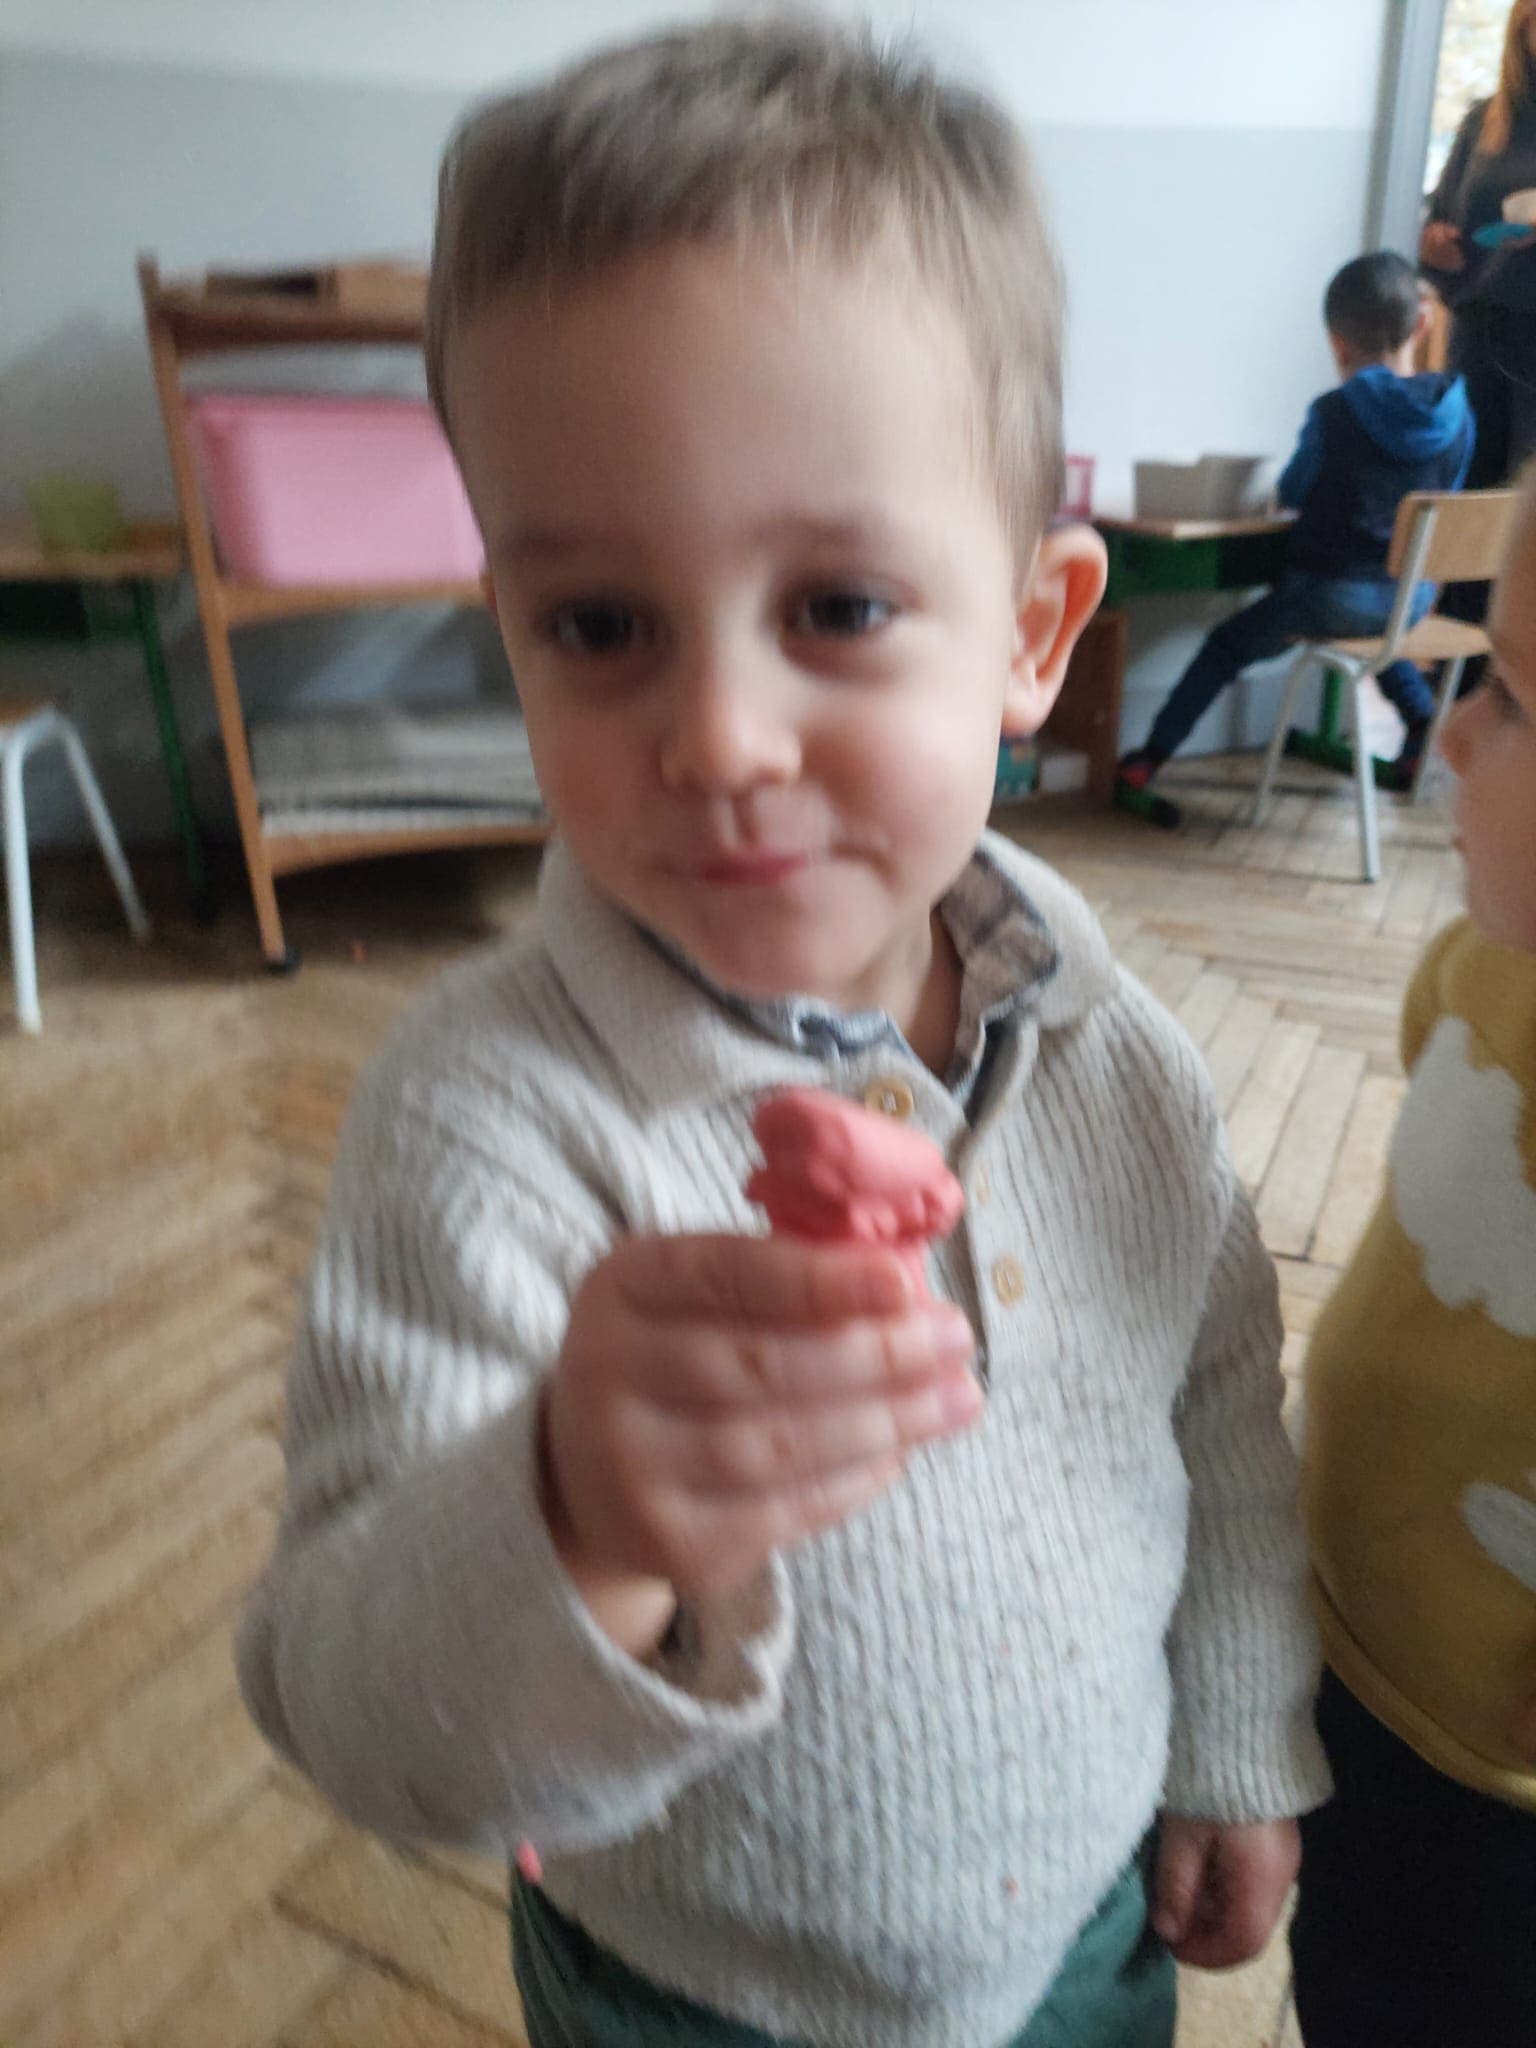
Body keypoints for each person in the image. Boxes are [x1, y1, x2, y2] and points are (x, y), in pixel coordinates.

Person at [235, 21, 1328, 2047]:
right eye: (601, 625)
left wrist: (1240, 1729)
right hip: (696, 1992)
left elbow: (1222, 1408)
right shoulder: (491, 1120)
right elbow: (348, 1706)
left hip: (1087, 1949)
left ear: (1032, 632)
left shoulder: (1114, 1065)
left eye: (834, 606)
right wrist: (572, 1518)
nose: (722, 737)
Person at [1289, 464, 1536, 2048]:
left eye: (1510, 701)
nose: (1448, 734)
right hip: (1357, 1647)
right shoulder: (1484, 965)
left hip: (1498, 1787)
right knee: (1348, 1975)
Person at [1118, 252, 1472, 812]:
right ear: (1422, 324)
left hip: (1331, 596)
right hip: (1409, 601)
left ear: (1337, 343)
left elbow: (1294, 491)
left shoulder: (1334, 412)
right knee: (1379, 633)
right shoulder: (1458, 416)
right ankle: (1423, 724)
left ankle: (1148, 759)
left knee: (1225, 646)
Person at [1422, 0, 1536, 494]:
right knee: (1468, 484)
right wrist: (1435, 247)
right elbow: (1444, 220)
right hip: (1478, 329)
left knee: (1526, 499)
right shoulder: (1483, 122)